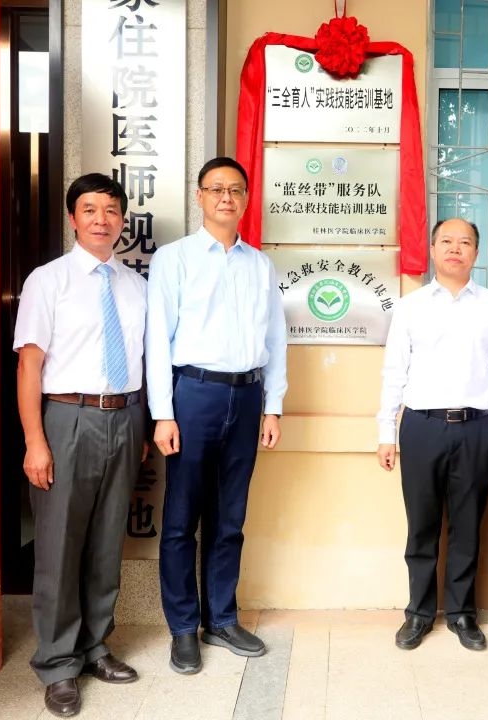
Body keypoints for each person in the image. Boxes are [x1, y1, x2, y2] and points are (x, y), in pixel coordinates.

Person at [146, 157, 287, 675]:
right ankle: (183, 628)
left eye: (236, 190)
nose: (227, 198)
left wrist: (273, 404)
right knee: (182, 519)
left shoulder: (260, 265)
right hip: (194, 395)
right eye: (216, 189)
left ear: (246, 199)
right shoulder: (175, 258)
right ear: (200, 196)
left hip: (246, 397)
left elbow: (275, 339)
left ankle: (221, 618)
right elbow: (157, 339)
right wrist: (163, 413)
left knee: (230, 519)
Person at [14, 173, 147, 717]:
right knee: (59, 546)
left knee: (106, 544)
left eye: (111, 211)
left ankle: (95, 647)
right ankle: (57, 664)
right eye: (89, 210)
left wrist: (140, 429)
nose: (101, 220)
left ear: (123, 220)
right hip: (67, 418)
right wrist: (35, 441)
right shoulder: (48, 280)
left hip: (125, 417)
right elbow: (29, 366)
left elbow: (141, 360)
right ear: (73, 218)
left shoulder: (135, 285)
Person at [376, 218, 488, 652]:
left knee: (467, 525)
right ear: (433, 249)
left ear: (476, 252)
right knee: (421, 525)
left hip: (477, 427)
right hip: (421, 426)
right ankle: (419, 613)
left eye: (465, 242)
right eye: (447, 241)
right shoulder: (411, 306)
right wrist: (386, 431)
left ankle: (461, 613)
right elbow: (394, 371)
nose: (456, 249)